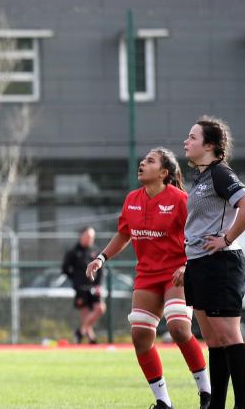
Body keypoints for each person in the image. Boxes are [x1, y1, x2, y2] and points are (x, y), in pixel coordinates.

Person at [86, 148, 211, 409]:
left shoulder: (179, 200)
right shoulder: (132, 198)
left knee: (178, 329)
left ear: (164, 173)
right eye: (143, 160)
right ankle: (163, 402)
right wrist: (101, 258)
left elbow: (197, 236)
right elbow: (123, 234)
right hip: (147, 275)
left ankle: (206, 394)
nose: (142, 163)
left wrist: (189, 266)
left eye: (150, 161)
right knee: (140, 337)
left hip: (176, 272)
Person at [173, 116, 245, 409]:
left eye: (193, 137)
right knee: (213, 340)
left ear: (210, 145)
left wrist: (226, 238)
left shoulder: (221, 174)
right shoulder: (201, 178)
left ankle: (242, 406)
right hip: (199, 265)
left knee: (228, 335)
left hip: (221, 264)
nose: (187, 141)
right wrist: (188, 262)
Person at [62, 226, 106, 344]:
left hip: (93, 287)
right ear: (82, 236)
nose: (90, 239)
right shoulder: (73, 251)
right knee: (85, 313)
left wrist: (99, 285)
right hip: (81, 288)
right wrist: (76, 280)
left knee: (100, 308)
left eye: (92, 237)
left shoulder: (95, 251)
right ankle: (91, 338)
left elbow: (101, 270)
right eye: (88, 236)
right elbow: (65, 269)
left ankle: (81, 331)